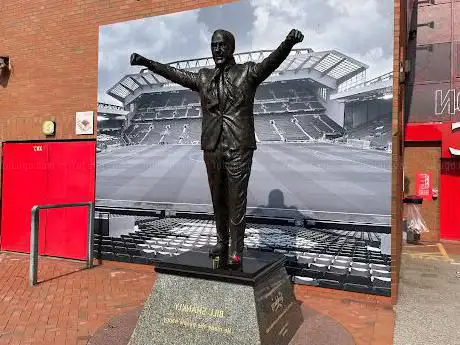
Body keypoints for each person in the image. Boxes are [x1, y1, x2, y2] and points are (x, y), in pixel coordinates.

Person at [131, 28, 304, 268]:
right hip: (212, 146)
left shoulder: (247, 72)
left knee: (236, 199)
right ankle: (222, 242)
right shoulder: (203, 77)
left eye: (222, 45)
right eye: (214, 45)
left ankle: (235, 248)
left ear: (232, 47)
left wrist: (287, 43)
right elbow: (175, 74)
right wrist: (147, 63)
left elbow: (270, 63)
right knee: (217, 199)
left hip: (238, 146)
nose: (218, 50)